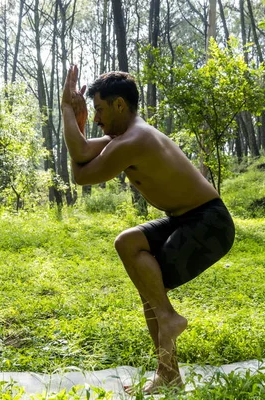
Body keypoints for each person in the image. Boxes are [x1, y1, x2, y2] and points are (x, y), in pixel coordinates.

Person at [61, 65, 235, 394]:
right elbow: (81, 159)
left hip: (209, 223)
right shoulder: (125, 137)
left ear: (119, 106)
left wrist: (68, 112)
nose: (97, 118)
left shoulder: (134, 140)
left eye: (99, 109)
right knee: (129, 245)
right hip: (188, 218)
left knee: (149, 286)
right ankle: (168, 373)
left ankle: (168, 334)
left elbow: (82, 168)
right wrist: (79, 123)